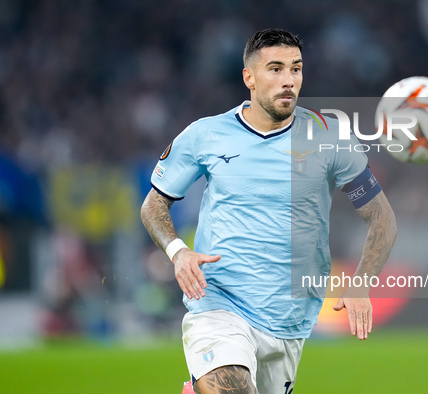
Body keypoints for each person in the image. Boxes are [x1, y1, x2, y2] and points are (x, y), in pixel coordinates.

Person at [141, 28, 397, 394]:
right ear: (249, 77)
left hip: (289, 320)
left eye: (296, 69)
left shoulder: (329, 137)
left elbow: (382, 218)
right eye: (275, 69)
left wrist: (362, 281)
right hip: (218, 302)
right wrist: (177, 252)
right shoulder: (206, 135)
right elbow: (154, 204)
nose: (288, 80)